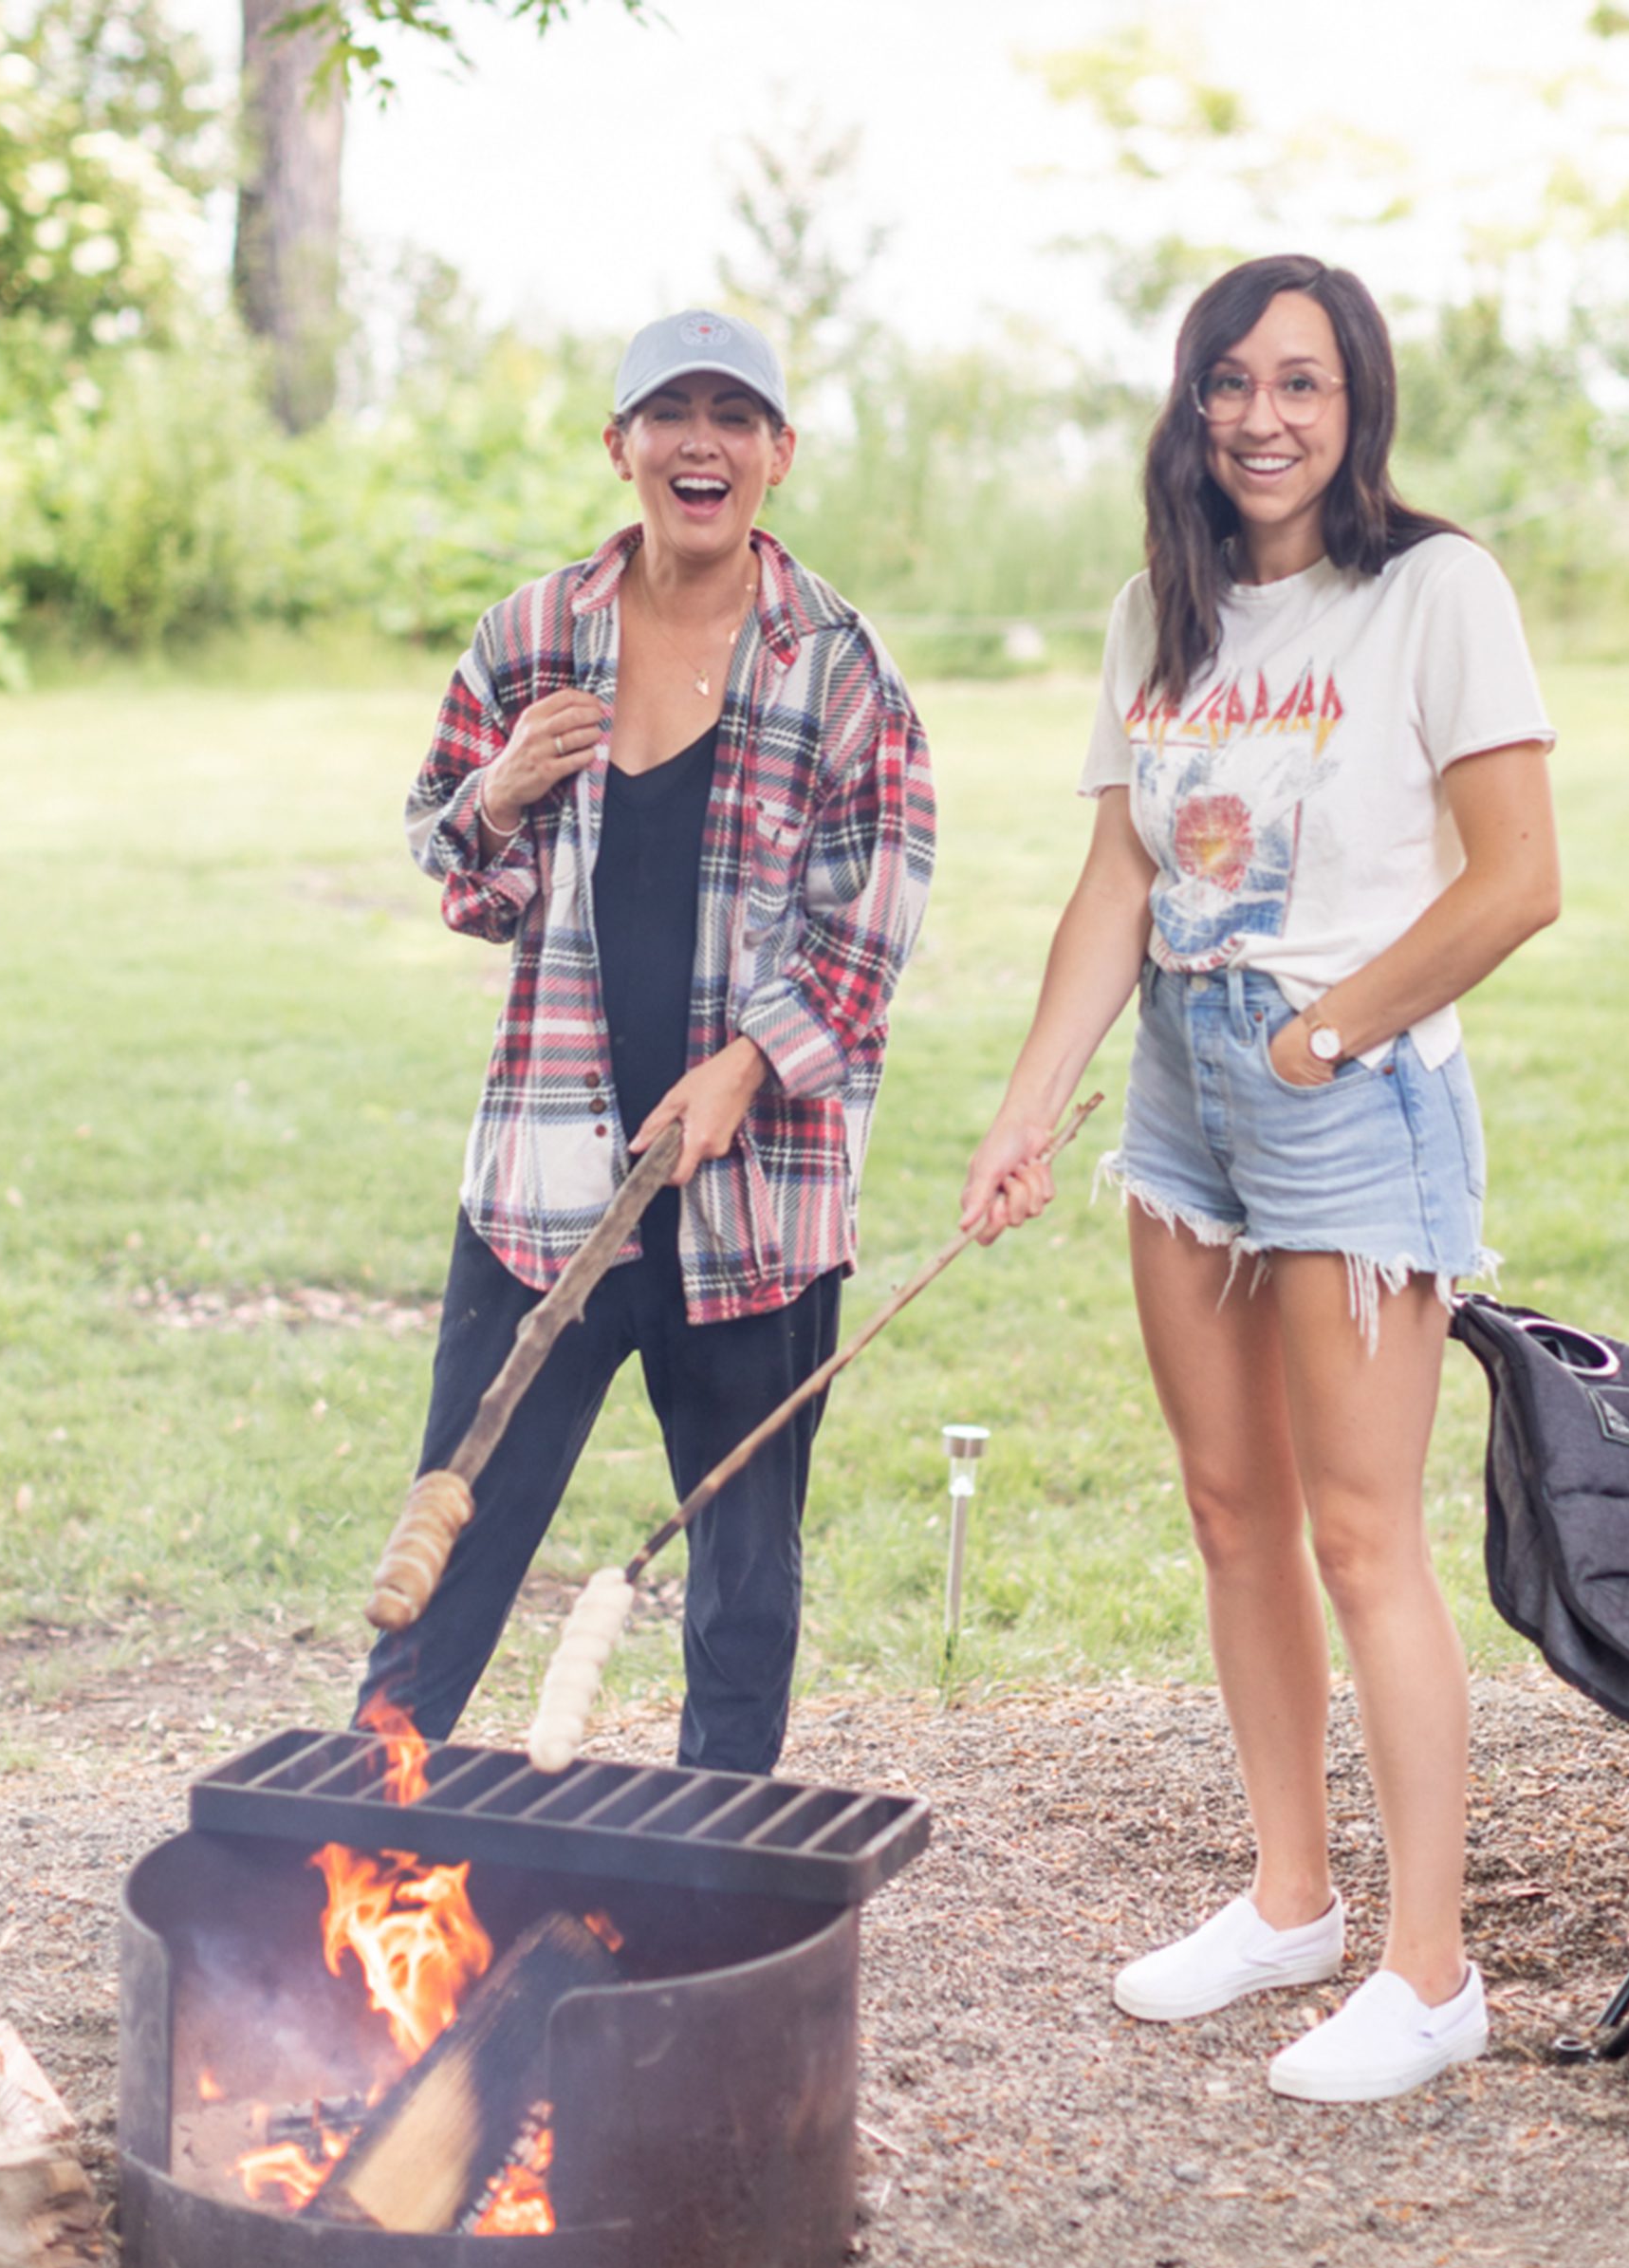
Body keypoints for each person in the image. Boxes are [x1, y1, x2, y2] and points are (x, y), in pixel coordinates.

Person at [962, 256, 1559, 2103]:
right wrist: (1030, 1103)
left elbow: (1514, 875)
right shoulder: (1162, 605)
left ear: (1351, 400)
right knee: (1230, 1509)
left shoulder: (1430, 591)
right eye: (1230, 380)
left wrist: (1320, 1037)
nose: (1261, 416)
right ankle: (1289, 1897)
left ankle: (1427, 1968)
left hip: (1342, 1088)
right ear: (1189, 400)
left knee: (1360, 1532)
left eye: (1299, 381)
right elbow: (1119, 884)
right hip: (1178, 1098)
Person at [362, 307, 935, 1775]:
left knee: (743, 1575)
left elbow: (872, 917)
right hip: (547, 1183)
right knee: (464, 1515)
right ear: (618, 447)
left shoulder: (840, 667)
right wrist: (495, 794)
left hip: (756, 1199)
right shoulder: (533, 637)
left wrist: (748, 1067)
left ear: (778, 454)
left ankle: (718, 1867)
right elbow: (458, 867)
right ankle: (360, 1821)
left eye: (733, 416)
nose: (701, 441)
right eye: (668, 413)